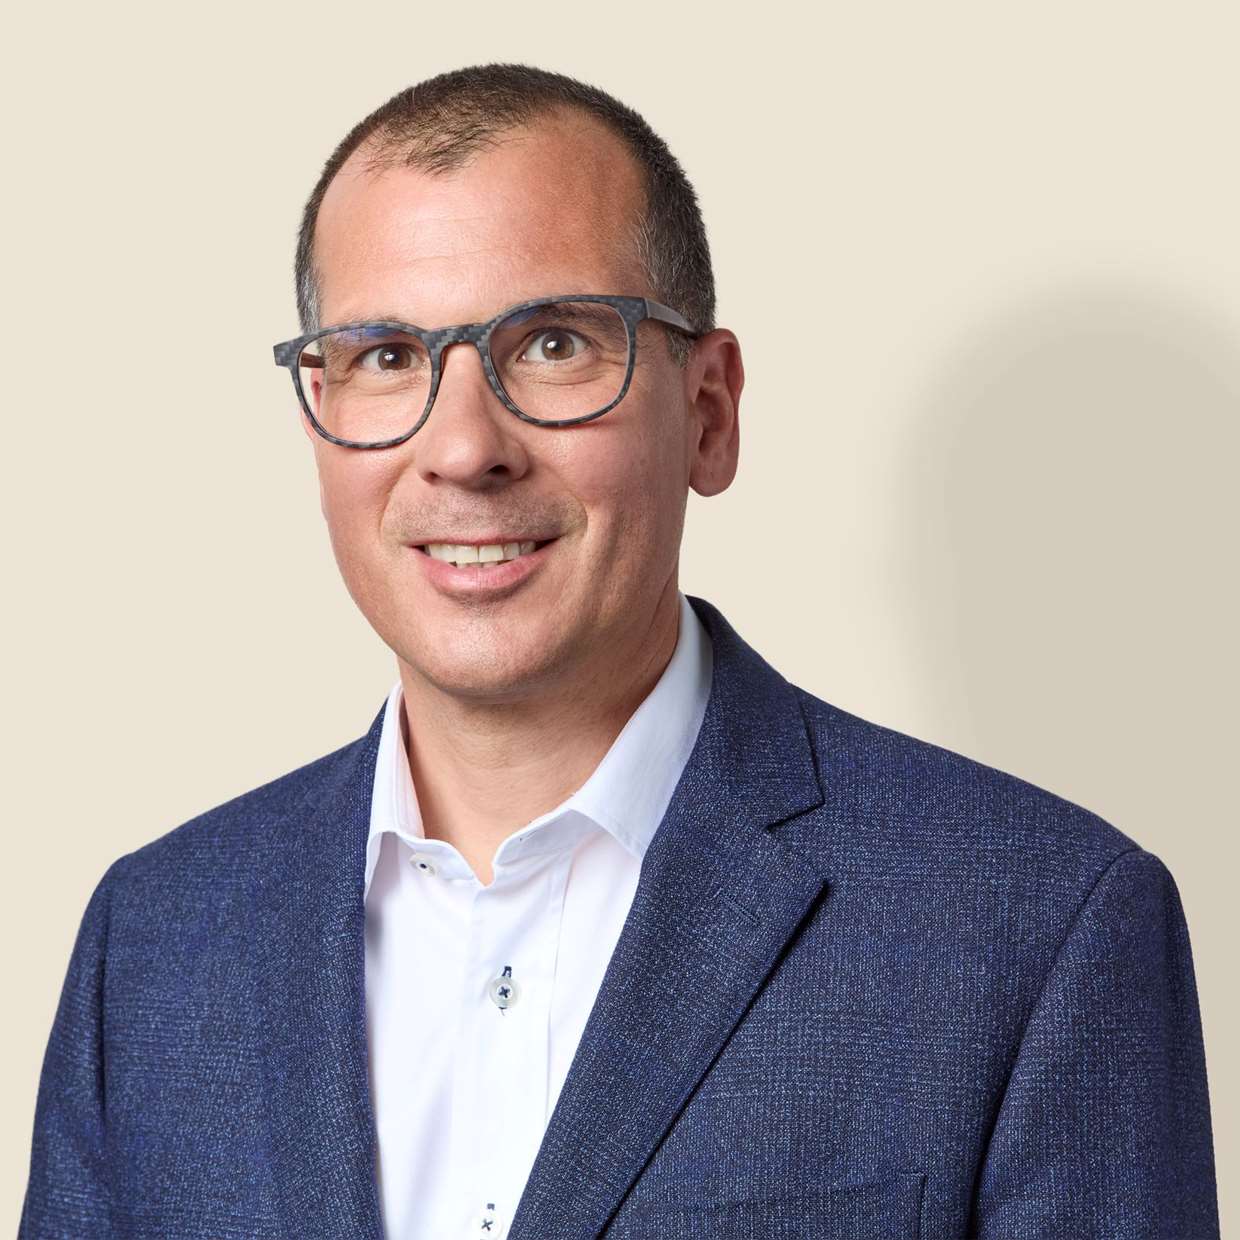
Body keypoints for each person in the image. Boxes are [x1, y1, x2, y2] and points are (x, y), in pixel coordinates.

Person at [20, 62, 1219, 1240]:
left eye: (551, 344)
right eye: (387, 357)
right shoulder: (154, 941)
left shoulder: (1036, 926)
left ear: (708, 413)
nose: (463, 448)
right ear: (318, 418)